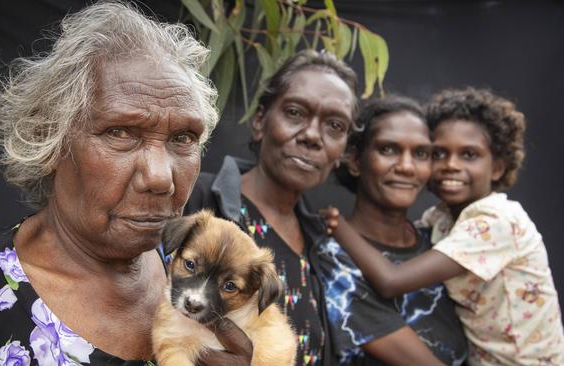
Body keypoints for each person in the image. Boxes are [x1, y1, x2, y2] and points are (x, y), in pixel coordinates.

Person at [0, 3, 253, 365]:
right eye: (120, 132)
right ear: (48, 139)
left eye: (183, 137)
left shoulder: (210, 284)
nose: (160, 177)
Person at [330, 88, 564, 365]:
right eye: (439, 153)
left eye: (469, 155)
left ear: (498, 168)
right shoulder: (439, 221)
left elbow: (392, 281)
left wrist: (337, 225)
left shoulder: (497, 221)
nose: (451, 165)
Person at [185, 49, 357, 366]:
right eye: (295, 112)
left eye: (334, 125)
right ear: (261, 121)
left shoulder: (324, 246)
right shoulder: (196, 203)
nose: (312, 136)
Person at [318, 96, 468, 365]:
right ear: (354, 160)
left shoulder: (438, 243)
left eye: (421, 154)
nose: (407, 167)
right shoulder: (334, 258)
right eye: (388, 150)